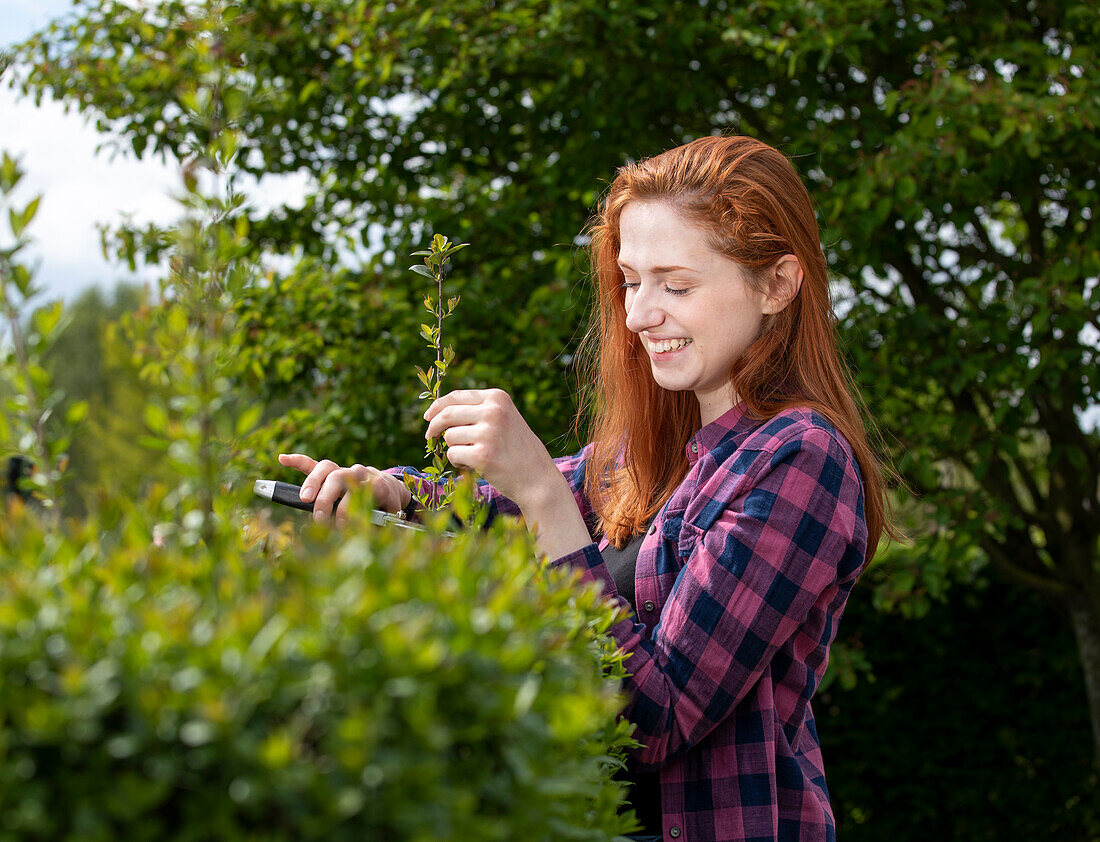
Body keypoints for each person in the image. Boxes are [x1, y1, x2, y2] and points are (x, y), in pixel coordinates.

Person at [279, 135, 893, 842]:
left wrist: (542, 493)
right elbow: (487, 517)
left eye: (677, 284)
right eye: (632, 281)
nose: (637, 315)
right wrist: (387, 495)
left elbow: (655, 720)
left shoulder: (800, 460)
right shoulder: (649, 458)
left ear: (778, 285)